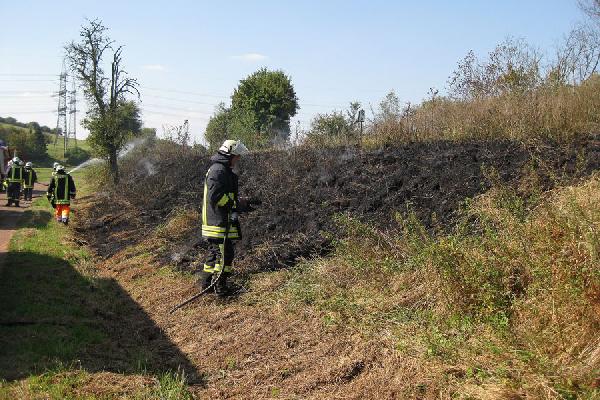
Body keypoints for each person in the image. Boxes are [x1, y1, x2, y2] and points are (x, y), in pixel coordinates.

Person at [196, 139, 258, 297]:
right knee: (225, 255)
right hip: (218, 222)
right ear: (230, 155)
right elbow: (216, 197)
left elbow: (224, 194)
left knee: (215, 254)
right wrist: (235, 205)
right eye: (237, 156)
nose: (238, 159)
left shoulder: (220, 169)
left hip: (217, 221)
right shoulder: (218, 171)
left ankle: (207, 285)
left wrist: (242, 202)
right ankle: (221, 288)